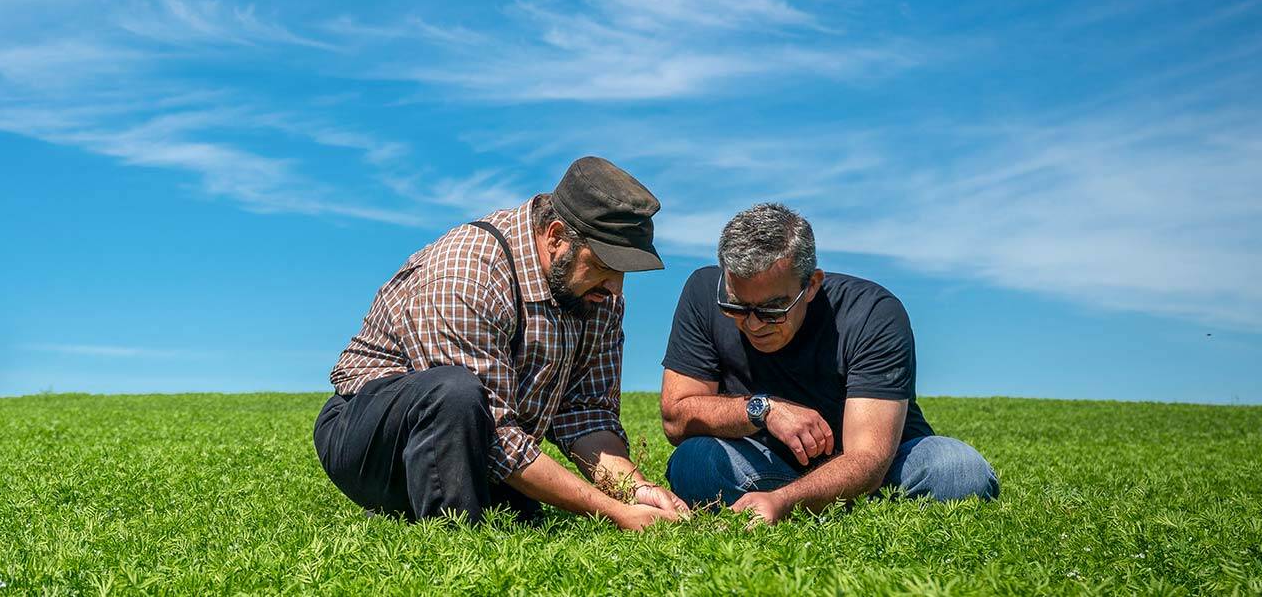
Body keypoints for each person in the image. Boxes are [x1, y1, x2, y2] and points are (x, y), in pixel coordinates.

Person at [316, 156, 689, 530]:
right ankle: (451, 539)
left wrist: (634, 490)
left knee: (523, 518)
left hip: (480, 444)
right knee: (456, 392)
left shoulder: (597, 295)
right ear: (557, 237)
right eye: (606, 267)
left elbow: (585, 413)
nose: (616, 287)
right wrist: (614, 512)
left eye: (623, 272)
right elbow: (491, 433)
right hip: (371, 438)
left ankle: (432, 507)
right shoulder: (467, 274)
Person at [659, 203, 998, 524]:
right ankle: (812, 504)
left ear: (811, 285)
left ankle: (784, 503)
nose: (753, 324)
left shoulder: (872, 313)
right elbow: (677, 418)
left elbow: (868, 457)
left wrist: (784, 502)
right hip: (766, 463)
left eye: (772, 310)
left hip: (880, 470)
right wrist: (763, 410)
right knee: (695, 461)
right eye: (736, 308)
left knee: (958, 470)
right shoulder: (703, 292)